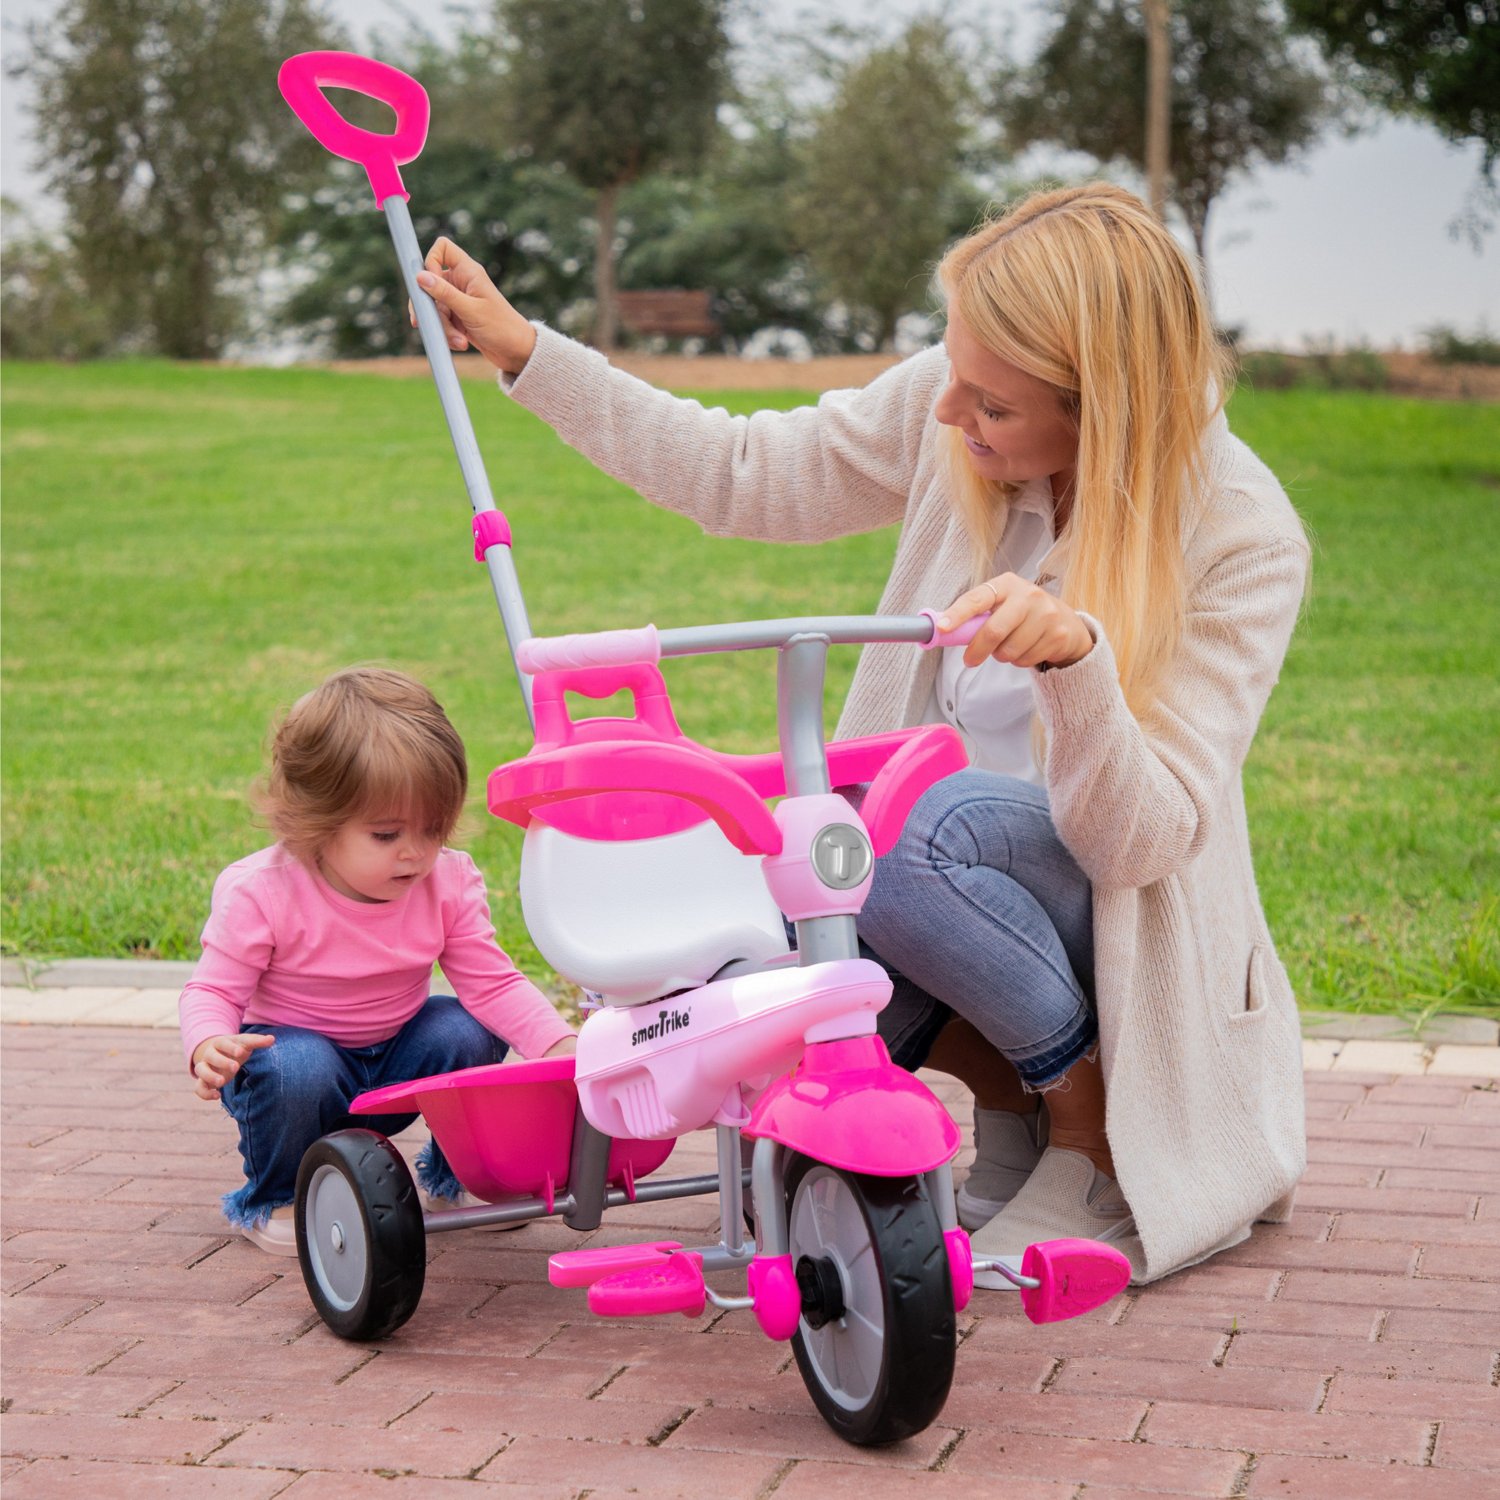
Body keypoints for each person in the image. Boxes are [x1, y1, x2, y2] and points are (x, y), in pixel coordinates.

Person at [411, 182, 1309, 1285]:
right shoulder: (953, 406)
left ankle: (1093, 1138)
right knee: (825, 908)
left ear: (1101, 411)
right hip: (932, 895)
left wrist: (1077, 666)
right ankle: (1015, 1115)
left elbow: (1142, 843)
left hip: (1114, 912)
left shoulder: (1243, 536)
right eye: (953, 372)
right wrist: (534, 354)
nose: (947, 414)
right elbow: (747, 473)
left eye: (990, 404)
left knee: (904, 826)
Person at [179, 667, 577, 1256]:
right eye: (387, 834)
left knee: (464, 1029)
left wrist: (558, 1045)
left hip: (397, 1063)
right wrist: (208, 1042)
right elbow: (211, 990)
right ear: (318, 821)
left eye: (433, 829)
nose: (415, 853)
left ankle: (460, 1177)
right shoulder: (261, 890)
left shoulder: (446, 880)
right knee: (297, 1062)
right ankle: (278, 1195)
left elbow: (491, 984)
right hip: (295, 1077)